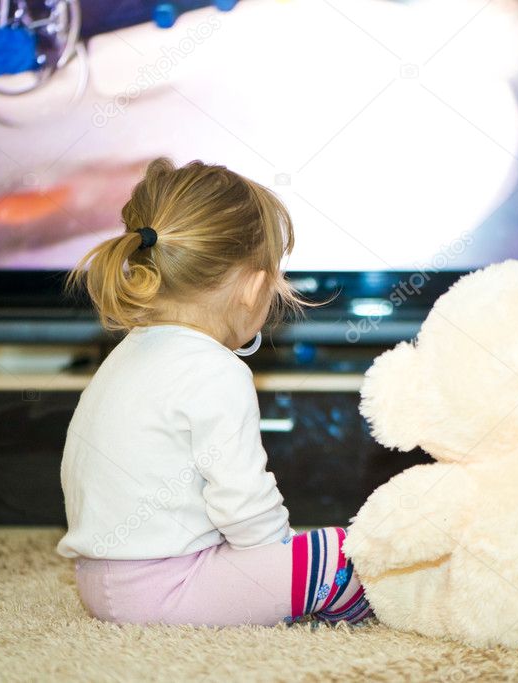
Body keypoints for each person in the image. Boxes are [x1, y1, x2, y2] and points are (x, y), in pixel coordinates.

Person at [57, 158, 371, 626]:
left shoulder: (124, 355)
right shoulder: (217, 371)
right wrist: (280, 563)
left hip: (95, 583)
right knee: (343, 552)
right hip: (166, 590)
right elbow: (243, 504)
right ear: (254, 287)